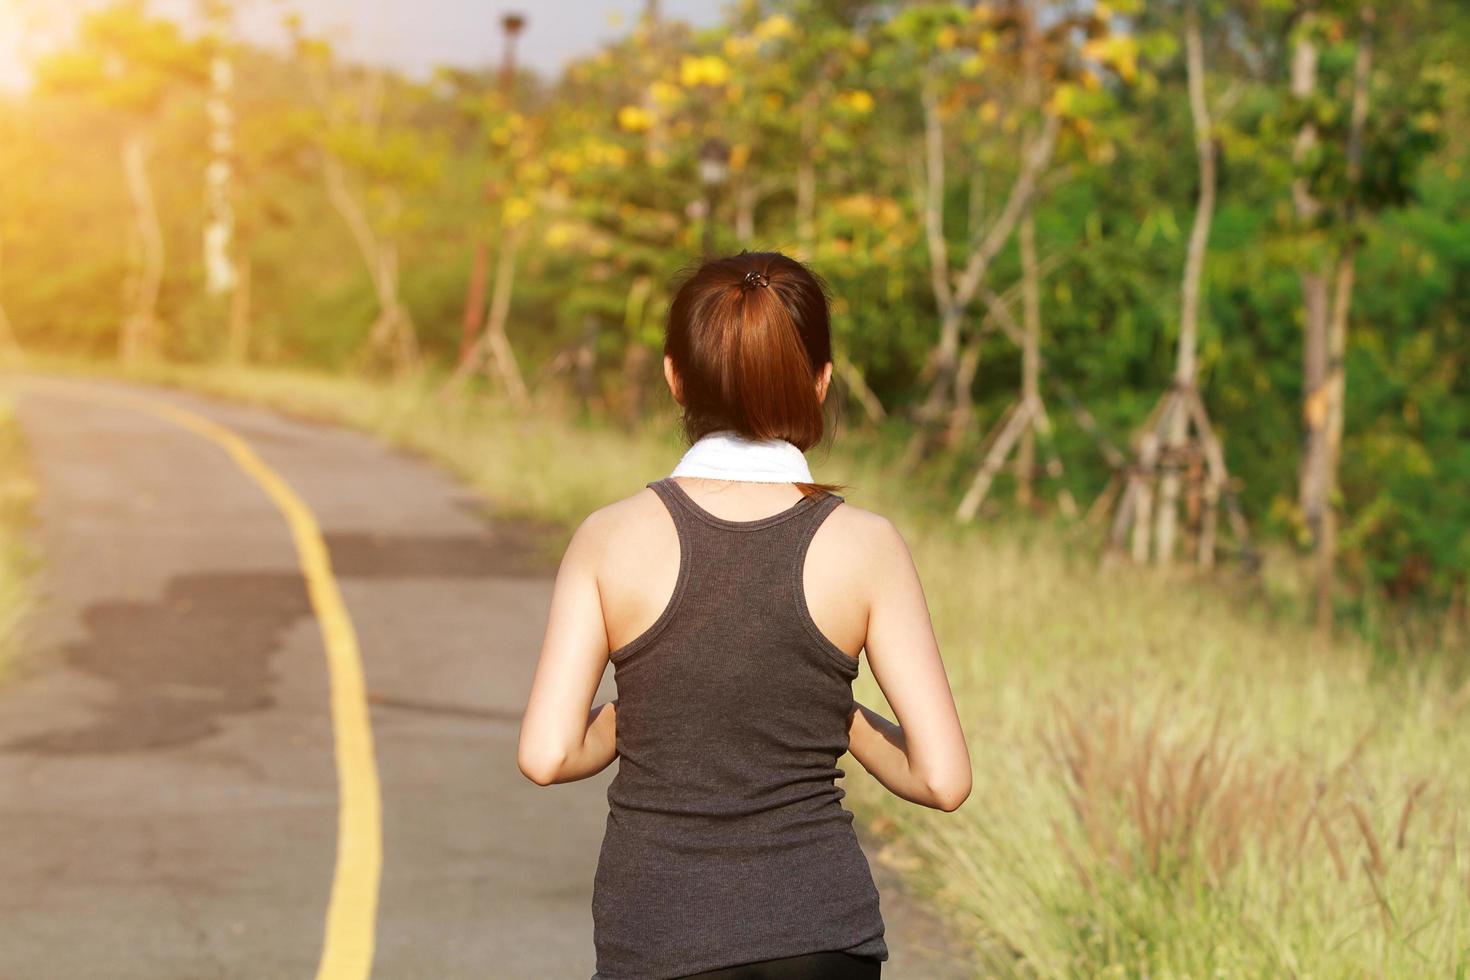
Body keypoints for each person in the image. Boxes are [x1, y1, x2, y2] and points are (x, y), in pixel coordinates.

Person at [518, 250, 972, 980]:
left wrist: (646, 700)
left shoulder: (610, 537)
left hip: (660, 934)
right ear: (821, 382)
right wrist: (840, 714)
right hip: (823, 936)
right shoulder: (866, 544)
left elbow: (546, 755)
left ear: (673, 376)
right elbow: (941, 780)